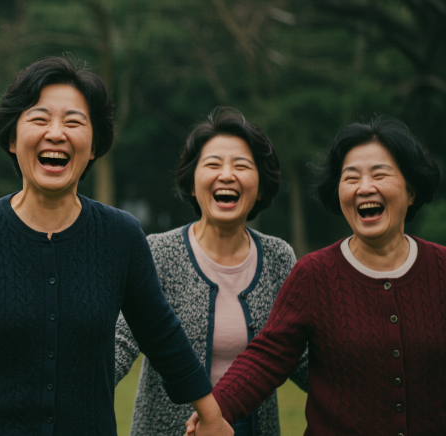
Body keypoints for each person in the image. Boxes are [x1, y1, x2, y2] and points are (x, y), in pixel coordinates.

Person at [0, 56, 234, 436]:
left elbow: (161, 334)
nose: (56, 133)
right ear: (12, 138)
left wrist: (212, 416)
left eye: (73, 122)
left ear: (95, 145)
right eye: (39, 119)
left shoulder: (121, 236)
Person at [185, 117, 446, 435]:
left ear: (411, 191)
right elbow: (266, 358)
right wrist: (216, 412)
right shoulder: (314, 275)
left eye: (380, 174)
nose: (365, 187)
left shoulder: (441, 268)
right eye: (351, 178)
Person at [115, 108, 308, 436]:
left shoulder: (279, 257)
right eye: (213, 164)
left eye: (242, 166)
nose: (227, 175)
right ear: (191, 183)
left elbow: (301, 357)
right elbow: (120, 342)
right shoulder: (158, 252)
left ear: (261, 187)